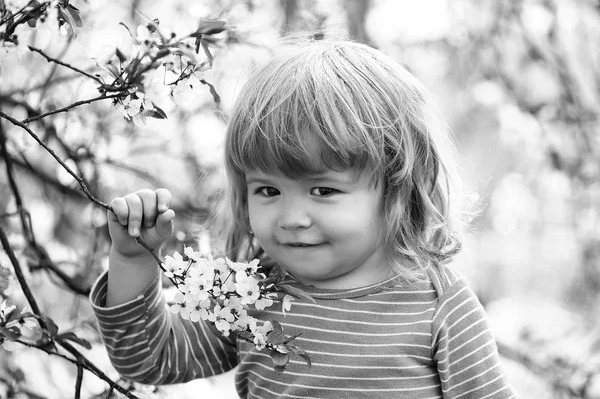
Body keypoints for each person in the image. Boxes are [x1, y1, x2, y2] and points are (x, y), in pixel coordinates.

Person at [90, 38, 516, 398]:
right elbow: (149, 359)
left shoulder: (439, 306)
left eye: (324, 190)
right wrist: (133, 259)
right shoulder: (251, 294)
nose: (292, 218)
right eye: (268, 191)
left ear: (396, 189)